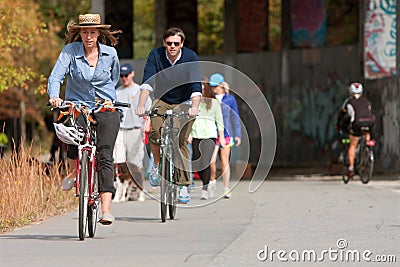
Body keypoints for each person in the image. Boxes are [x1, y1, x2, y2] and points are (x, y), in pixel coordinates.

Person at [47, 13, 122, 225]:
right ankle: (73, 173)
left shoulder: (110, 54)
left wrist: (109, 99)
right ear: (79, 33)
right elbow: (56, 76)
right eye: (85, 32)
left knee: (105, 153)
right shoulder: (70, 51)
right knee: (70, 131)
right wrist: (55, 96)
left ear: (99, 33)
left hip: (104, 106)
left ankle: (106, 210)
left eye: (92, 32)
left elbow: (114, 78)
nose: (88, 36)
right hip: (77, 105)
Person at [135, 27, 201, 204]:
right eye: (169, 43)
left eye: (176, 43)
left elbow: (196, 87)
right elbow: (147, 83)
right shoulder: (156, 55)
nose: (172, 46)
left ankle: (184, 186)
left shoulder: (190, 57)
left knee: (180, 141)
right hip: (162, 99)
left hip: (185, 101)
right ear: (164, 43)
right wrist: (141, 105)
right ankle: (156, 166)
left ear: (182, 44)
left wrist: (194, 107)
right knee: (156, 134)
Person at [113, 63, 151, 202]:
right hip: (120, 129)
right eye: (122, 76)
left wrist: (147, 123)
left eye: (126, 75)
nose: (124, 78)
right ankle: (120, 190)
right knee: (119, 161)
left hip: (136, 129)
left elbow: (149, 110)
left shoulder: (140, 90)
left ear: (132, 74)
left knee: (135, 162)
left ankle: (138, 188)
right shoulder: (117, 92)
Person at [189, 78, 225, 200]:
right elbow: (190, 119)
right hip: (196, 135)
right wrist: (188, 133)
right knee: (197, 162)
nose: (201, 92)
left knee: (206, 162)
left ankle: (205, 188)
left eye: (203, 89)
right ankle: (208, 183)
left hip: (209, 135)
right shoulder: (194, 102)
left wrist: (221, 137)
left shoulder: (214, 103)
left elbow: (219, 120)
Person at [209, 74, 242, 198]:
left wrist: (238, 134)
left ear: (222, 85)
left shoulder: (230, 99)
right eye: (212, 86)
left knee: (224, 162)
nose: (213, 89)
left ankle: (226, 188)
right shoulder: (209, 99)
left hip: (227, 134)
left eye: (215, 86)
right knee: (211, 162)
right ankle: (212, 181)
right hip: (212, 133)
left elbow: (235, 117)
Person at [337, 82, 375, 178]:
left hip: (357, 123)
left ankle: (351, 168)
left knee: (353, 144)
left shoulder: (349, 101)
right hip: (370, 122)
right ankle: (367, 147)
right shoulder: (366, 101)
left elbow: (342, 114)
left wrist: (338, 124)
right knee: (366, 132)